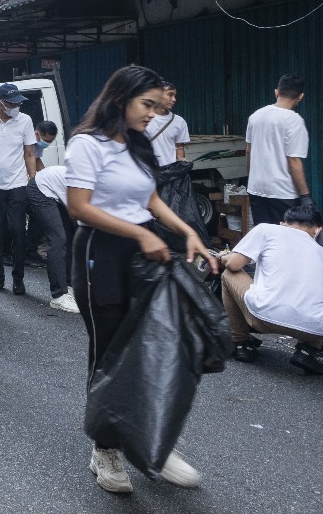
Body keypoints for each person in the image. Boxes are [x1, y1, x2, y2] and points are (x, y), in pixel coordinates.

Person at [65, 64, 217, 495]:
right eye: (147, 105)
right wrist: (136, 234)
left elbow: (149, 198)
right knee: (110, 353)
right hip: (100, 253)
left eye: (157, 105)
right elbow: (79, 207)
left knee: (155, 344)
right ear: (119, 100)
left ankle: (154, 439)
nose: (155, 113)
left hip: (141, 251)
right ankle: (106, 450)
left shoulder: (137, 142)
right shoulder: (86, 145)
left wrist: (188, 230)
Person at [219, 203, 323, 375]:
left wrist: (223, 257)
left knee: (229, 274)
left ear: (283, 223)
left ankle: (241, 342)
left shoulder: (266, 230)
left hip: (262, 318)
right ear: (317, 230)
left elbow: (234, 264)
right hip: (314, 330)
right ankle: (308, 351)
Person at [0, 83, 37, 295]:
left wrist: (32, 181)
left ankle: (18, 279)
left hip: (17, 184)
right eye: (11, 103)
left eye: (18, 103)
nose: (16, 106)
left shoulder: (25, 120)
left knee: (18, 231)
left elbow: (29, 153)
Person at [245, 73, 311, 227]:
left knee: (266, 239)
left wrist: (252, 179)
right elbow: (293, 160)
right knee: (287, 241)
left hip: (256, 189)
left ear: (277, 92)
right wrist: (305, 196)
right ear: (300, 96)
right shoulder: (294, 121)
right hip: (283, 192)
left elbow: (249, 151)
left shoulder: (255, 116)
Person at [26, 165, 78, 313]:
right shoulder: (89, 186)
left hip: (57, 191)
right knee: (58, 238)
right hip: (39, 189)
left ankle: (70, 286)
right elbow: (78, 214)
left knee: (71, 238)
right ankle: (59, 295)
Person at [145, 82, 189, 167]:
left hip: (169, 171)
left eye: (175, 96)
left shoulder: (179, 122)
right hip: (147, 170)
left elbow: (179, 147)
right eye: (170, 95)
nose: (174, 99)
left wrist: (181, 160)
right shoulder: (144, 118)